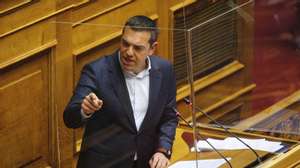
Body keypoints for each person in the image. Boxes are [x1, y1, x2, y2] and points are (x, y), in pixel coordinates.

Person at [63, 15, 178, 168]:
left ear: (152, 48)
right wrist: (84, 110)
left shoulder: (165, 70)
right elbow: (70, 117)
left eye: (137, 48)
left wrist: (162, 150)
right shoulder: (97, 71)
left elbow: (169, 117)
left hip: (145, 163)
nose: (129, 52)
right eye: (125, 44)